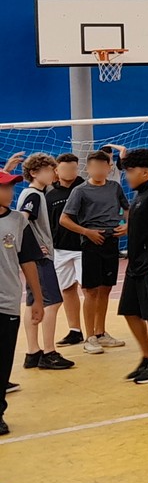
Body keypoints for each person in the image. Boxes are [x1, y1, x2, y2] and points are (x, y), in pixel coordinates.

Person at [59, 151, 129, 354]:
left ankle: (100, 332)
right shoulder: (80, 191)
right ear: (88, 169)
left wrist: (127, 226)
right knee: (90, 290)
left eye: (103, 166)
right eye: (94, 167)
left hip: (110, 242)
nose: (99, 170)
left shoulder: (114, 187)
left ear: (109, 168)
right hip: (91, 243)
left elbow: (126, 208)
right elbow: (64, 219)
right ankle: (89, 337)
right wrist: (86, 232)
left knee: (106, 288)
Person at [116, 148, 148, 384]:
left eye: (130, 171)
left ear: (145, 173)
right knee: (129, 311)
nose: (126, 175)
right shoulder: (138, 197)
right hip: (134, 266)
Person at [17, 154, 72, 371]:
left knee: (32, 302)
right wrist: (36, 243)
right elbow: (23, 218)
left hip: (34, 255)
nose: (54, 173)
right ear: (34, 173)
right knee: (53, 302)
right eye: (50, 170)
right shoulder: (34, 195)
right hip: (40, 257)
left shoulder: (33, 193)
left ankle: (32, 352)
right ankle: (48, 352)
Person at [0, 170, 45, 436]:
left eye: (11, 187)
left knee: (3, 361)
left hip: (6, 302)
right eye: (5, 188)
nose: (10, 193)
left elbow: (27, 261)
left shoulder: (18, 221)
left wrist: (37, 298)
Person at [47, 153, 86, 348]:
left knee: (89, 289)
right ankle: (75, 331)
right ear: (56, 170)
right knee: (67, 289)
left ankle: (97, 331)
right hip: (60, 249)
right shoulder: (49, 194)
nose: (69, 172)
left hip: (83, 247)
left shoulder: (85, 189)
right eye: (64, 168)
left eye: (73, 168)